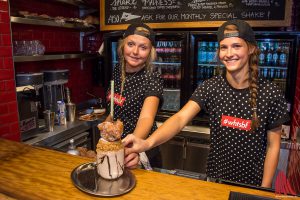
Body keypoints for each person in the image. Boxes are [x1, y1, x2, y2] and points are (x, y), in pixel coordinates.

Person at [123, 19, 290, 188]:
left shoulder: (270, 93)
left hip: (253, 185)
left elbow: (273, 146)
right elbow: (180, 118)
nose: (229, 53)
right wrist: (146, 143)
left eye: (236, 46)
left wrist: (263, 189)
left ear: (251, 49)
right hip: (215, 182)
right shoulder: (211, 87)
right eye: (224, 47)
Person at [105, 22, 164, 168]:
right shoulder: (118, 70)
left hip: (140, 150)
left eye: (143, 47)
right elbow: (113, 108)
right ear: (123, 45)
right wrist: (107, 128)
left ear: (150, 52)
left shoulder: (153, 77)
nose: (135, 52)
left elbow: (146, 118)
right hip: (116, 146)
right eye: (131, 44)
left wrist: (133, 147)